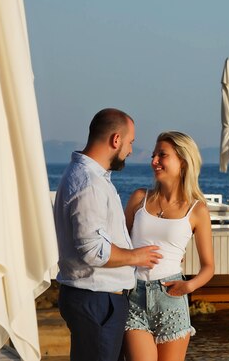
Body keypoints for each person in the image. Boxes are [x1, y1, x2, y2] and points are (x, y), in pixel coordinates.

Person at [53, 108, 163, 361]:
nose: (131, 150)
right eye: (131, 142)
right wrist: (136, 257)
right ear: (116, 140)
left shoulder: (89, 177)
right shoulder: (89, 183)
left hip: (96, 300)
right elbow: (93, 250)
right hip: (96, 300)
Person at [123, 131, 215, 361]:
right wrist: (133, 256)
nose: (154, 161)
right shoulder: (139, 198)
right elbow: (119, 244)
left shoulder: (197, 210)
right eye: (154, 155)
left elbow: (209, 267)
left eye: (161, 155)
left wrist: (189, 286)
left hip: (171, 298)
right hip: (134, 295)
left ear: (182, 161)